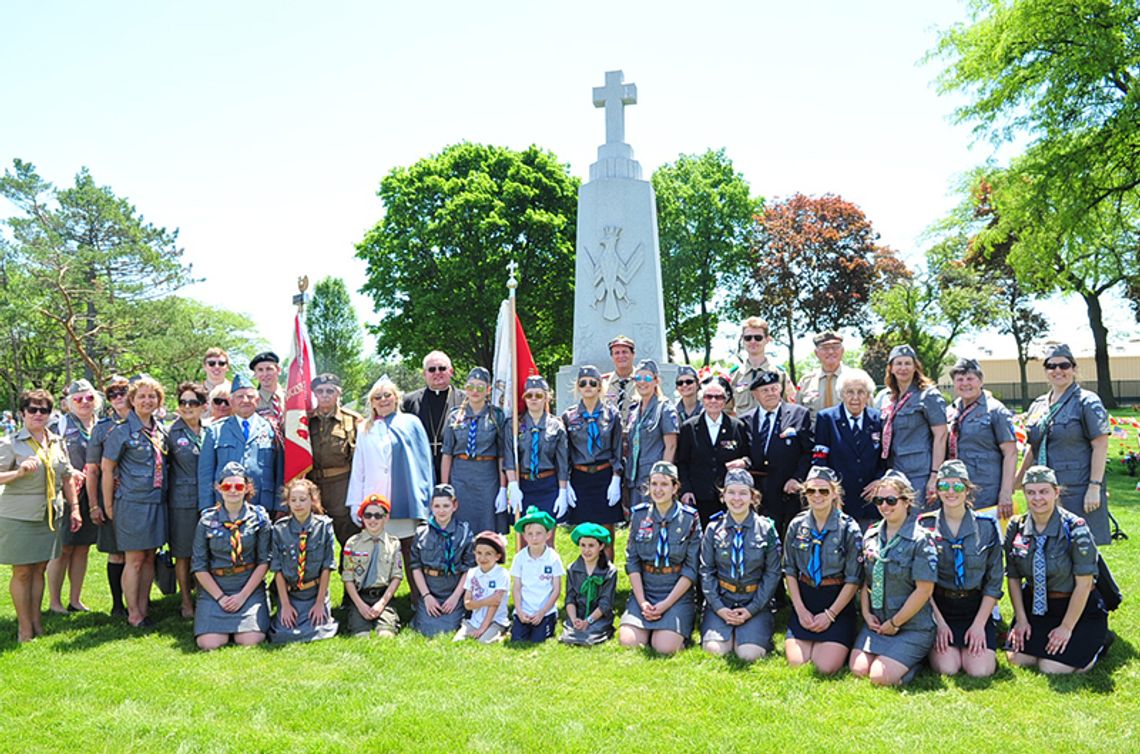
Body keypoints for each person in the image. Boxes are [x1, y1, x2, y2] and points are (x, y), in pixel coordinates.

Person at [1005, 465, 1109, 673]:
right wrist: (1021, 619)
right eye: (1031, 492)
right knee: (1018, 659)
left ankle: (1099, 643)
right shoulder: (1017, 526)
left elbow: (1085, 583)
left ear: (1056, 492)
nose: (1037, 498)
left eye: (1044, 491)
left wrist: (1066, 628)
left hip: (1075, 608)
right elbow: (1014, 577)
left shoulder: (1075, 528)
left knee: (1050, 667)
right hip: (1036, 607)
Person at [0, 389, 80, 642]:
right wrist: (19, 473)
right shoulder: (10, 443)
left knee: (40, 569)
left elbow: (66, 476)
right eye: (32, 409)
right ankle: (24, 627)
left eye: (43, 410)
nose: (38, 414)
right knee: (22, 571)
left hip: (50, 516)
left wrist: (75, 507)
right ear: (22, 413)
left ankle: (36, 620)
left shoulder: (56, 441)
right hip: (19, 517)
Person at [349, 376, 439, 597]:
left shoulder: (411, 422)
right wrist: (355, 503)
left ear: (396, 397)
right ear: (371, 402)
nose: (383, 400)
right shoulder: (364, 429)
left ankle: (419, 601)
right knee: (379, 552)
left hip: (405, 498)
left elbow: (423, 462)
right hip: (375, 501)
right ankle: (377, 602)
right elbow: (358, 467)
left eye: (387, 395)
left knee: (410, 552)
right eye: (377, 397)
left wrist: (427, 498)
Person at [849, 470, 938, 686]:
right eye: (879, 501)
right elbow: (865, 582)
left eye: (891, 500)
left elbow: (924, 591)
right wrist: (866, 614)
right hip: (878, 624)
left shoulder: (921, 540)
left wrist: (896, 623)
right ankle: (898, 660)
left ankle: (913, 663)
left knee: (879, 677)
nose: (884, 506)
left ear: (906, 501)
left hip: (912, 626)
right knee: (858, 669)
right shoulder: (870, 535)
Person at [1019, 343, 1112, 545]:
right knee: (1048, 545)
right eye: (1051, 366)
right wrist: (1016, 481)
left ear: (1074, 368)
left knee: (1081, 548)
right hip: (1043, 490)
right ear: (1045, 370)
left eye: (1064, 365)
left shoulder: (1087, 401)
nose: (1058, 371)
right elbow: (1033, 447)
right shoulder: (1038, 405)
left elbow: (1100, 445)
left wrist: (1094, 487)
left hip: (1076, 488)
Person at [918, 460, 1003, 677]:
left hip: (975, 608)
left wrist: (979, 625)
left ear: (967, 490)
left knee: (980, 671)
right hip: (939, 607)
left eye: (957, 486)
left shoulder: (986, 527)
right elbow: (920, 581)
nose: (950, 492)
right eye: (944, 486)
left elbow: (994, 581)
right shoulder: (925, 527)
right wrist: (938, 624)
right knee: (948, 668)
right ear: (937, 491)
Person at [101, 375, 169, 628]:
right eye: (141, 396)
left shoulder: (161, 430)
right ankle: (133, 614)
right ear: (132, 400)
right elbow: (107, 469)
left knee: (150, 557)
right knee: (135, 559)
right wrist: (108, 506)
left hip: (157, 502)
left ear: (159, 401)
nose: (147, 401)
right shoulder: (121, 431)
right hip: (132, 503)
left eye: (152, 396)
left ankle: (143, 605)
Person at [783, 467, 864, 675]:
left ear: (834, 493)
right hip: (806, 600)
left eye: (823, 491)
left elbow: (853, 579)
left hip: (836, 603)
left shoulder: (848, 528)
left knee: (824, 667)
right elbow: (790, 570)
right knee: (797, 664)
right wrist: (800, 610)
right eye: (811, 491)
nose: (817, 496)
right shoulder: (796, 525)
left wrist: (830, 615)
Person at [699, 469, 782, 662]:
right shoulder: (713, 529)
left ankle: (752, 632)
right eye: (732, 492)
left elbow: (772, 573)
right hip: (722, 601)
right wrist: (719, 608)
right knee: (715, 651)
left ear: (753, 497)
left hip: (754, 602)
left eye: (743, 493)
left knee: (748, 655)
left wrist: (752, 609)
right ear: (723, 495)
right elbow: (706, 572)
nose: (737, 498)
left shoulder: (767, 529)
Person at [619, 461, 701, 655]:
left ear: (675, 488)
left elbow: (691, 568)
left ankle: (671, 631)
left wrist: (666, 604)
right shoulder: (639, 516)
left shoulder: (689, 519)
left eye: (664, 484)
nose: (658, 489)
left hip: (675, 592)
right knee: (629, 642)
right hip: (646, 589)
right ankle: (648, 625)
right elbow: (632, 562)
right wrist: (642, 602)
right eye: (654, 484)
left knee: (664, 647)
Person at [191, 461, 272, 650]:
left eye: (239, 486)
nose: (233, 491)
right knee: (208, 643)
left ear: (247, 488)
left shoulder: (260, 519)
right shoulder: (206, 520)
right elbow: (199, 565)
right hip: (215, 589)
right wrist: (220, 598)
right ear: (219, 488)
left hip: (248, 587)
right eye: (227, 486)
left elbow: (264, 561)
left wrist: (242, 596)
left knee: (251, 640)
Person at [440, 367, 516, 536]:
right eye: (470, 387)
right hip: (460, 476)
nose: (475, 391)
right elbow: (447, 454)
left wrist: (503, 489)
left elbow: (502, 455)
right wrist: (445, 487)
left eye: (480, 387)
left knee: (486, 526)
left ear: (488, 390)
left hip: (487, 478)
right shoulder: (454, 416)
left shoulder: (496, 416)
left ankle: (487, 560)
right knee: (460, 526)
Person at [46, 379, 100, 614]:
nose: (84, 403)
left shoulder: (100, 425)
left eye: (89, 398)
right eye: (78, 399)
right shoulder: (60, 425)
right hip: (68, 494)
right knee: (63, 548)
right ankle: (55, 602)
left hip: (92, 494)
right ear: (69, 403)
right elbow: (49, 457)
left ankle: (75, 599)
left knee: (83, 548)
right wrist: (70, 470)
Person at [740, 370, 812, 539]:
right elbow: (744, 453)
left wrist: (798, 478)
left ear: (780, 388)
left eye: (774, 388)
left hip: (787, 490)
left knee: (789, 540)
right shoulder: (745, 420)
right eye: (765, 390)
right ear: (755, 394)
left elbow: (808, 451)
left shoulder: (799, 414)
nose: (770, 393)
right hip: (757, 492)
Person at [561, 365, 624, 557]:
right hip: (580, 477)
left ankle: (608, 577)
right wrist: (567, 483)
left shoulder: (612, 415)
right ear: (578, 387)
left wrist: (616, 477)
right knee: (586, 534)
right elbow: (565, 452)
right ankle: (587, 576)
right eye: (583, 383)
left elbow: (618, 448)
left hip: (605, 476)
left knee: (606, 534)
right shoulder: (568, 416)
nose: (588, 386)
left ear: (600, 387)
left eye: (592, 383)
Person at [198, 374, 282, 516]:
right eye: (239, 397)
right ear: (231, 401)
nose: (245, 401)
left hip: (262, 503)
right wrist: (206, 506)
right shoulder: (216, 430)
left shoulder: (271, 428)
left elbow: (279, 470)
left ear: (257, 399)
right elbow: (205, 473)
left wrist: (280, 506)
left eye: (250, 397)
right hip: (224, 504)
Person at [811, 369, 885, 530]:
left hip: (870, 500)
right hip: (839, 500)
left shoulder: (878, 419)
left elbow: (885, 458)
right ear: (841, 394)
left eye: (861, 392)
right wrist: (830, 490)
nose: (855, 397)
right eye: (850, 392)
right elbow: (820, 459)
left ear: (868, 395)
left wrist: (880, 480)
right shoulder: (826, 419)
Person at [268, 478, 338, 644]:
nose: (298, 504)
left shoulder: (324, 527)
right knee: (282, 634)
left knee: (321, 630)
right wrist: (284, 605)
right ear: (288, 502)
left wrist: (320, 603)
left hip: (315, 594)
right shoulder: (279, 529)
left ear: (312, 500)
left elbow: (327, 567)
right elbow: (277, 570)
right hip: (291, 596)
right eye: (293, 500)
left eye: (302, 499)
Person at [946, 358, 1016, 517]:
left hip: (985, 488)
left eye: (970, 378)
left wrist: (1005, 493)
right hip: (955, 488)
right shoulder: (950, 411)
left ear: (981, 380)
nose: (965, 383)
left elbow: (1011, 453)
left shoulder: (996, 410)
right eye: (959, 379)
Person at [85, 374, 131, 617]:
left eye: (122, 392)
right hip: (111, 496)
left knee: (140, 553)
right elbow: (92, 470)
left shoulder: (148, 423)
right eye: (112, 394)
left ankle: (139, 600)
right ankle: (118, 604)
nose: (118, 398)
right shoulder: (102, 429)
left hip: (142, 496)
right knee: (116, 553)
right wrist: (94, 505)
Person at [676, 376, 750, 525]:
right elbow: (682, 462)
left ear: (725, 400)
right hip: (698, 495)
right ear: (702, 399)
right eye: (709, 397)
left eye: (719, 397)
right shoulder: (689, 427)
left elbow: (748, 456)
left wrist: (743, 462)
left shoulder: (737, 426)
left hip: (729, 497)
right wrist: (686, 490)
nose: (714, 401)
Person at [880, 345, 948, 506]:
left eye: (907, 363)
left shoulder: (928, 395)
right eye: (898, 363)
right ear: (891, 368)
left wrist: (934, 475)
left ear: (915, 367)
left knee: (918, 522)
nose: (903, 368)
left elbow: (941, 435)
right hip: (896, 471)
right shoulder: (889, 398)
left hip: (920, 473)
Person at [410, 484, 475, 637]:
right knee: (426, 630)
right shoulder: (422, 533)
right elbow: (415, 567)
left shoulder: (464, 533)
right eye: (437, 506)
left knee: (449, 629)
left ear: (455, 506)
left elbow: (469, 568)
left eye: (446, 505)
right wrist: (426, 596)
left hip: (454, 589)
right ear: (431, 506)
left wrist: (455, 597)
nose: (441, 510)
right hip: (430, 589)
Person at [307, 372, 363, 548]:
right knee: (313, 539)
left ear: (338, 393)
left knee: (349, 538)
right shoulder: (305, 420)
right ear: (314, 394)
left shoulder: (353, 421)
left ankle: (351, 574)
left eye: (330, 391)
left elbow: (360, 459)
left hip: (342, 487)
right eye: (320, 391)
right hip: (313, 486)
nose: (324, 395)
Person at [167, 381, 208, 618]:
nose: (187, 407)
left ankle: (204, 596)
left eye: (193, 402)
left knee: (206, 551)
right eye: (183, 402)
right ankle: (185, 601)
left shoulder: (210, 429)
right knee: (183, 552)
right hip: (181, 501)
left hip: (208, 500)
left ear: (203, 406)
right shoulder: (171, 433)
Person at [515, 375, 569, 540]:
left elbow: (562, 461)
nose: (533, 399)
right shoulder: (515, 424)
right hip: (524, 486)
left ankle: (548, 566)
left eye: (538, 395)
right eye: (529, 395)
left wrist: (563, 491)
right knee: (526, 536)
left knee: (547, 536)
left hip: (548, 485)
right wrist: (511, 486)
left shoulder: (556, 426)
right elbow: (510, 457)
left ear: (546, 397)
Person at [341, 494, 402, 638]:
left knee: (386, 635)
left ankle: (386, 621)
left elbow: (396, 577)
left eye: (378, 515)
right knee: (361, 636)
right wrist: (360, 605)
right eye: (368, 515)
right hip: (360, 598)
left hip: (383, 597)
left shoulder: (393, 543)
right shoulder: (352, 543)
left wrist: (381, 604)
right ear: (362, 518)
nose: (372, 520)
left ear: (386, 518)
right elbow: (347, 578)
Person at [402, 350, 463, 482]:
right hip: (420, 470)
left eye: (442, 368)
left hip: (455, 469)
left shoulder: (465, 400)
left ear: (451, 371)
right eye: (431, 369)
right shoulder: (408, 402)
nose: (437, 373)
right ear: (424, 374)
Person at [625, 359, 680, 507]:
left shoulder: (665, 408)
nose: (642, 382)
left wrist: (664, 478)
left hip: (655, 479)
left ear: (656, 381)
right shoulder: (633, 410)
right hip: (635, 478)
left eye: (648, 378)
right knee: (638, 525)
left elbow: (671, 446)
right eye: (638, 378)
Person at [509, 506, 564, 643]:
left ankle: (550, 621)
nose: (534, 538)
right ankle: (518, 622)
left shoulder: (553, 558)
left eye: (539, 533)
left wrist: (542, 612)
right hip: (525, 609)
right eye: (530, 534)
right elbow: (516, 587)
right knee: (517, 639)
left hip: (545, 611)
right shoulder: (519, 558)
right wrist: (519, 611)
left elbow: (556, 589)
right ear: (524, 536)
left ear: (548, 534)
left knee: (538, 639)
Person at [560, 522, 618, 646]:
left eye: (591, 545)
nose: (586, 550)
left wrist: (588, 621)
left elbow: (605, 604)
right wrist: (574, 619)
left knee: (590, 638)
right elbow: (570, 598)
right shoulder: (572, 569)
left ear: (601, 546)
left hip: (598, 617)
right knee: (569, 637)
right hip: (578, 615)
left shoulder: (609, 571)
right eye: (583, 545)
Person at [454, 529, 510, 644]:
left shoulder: (501, 574)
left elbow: (495, 603)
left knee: (483, 641)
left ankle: (504, 632)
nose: (482, 558)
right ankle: (478, 630)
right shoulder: (472, 573)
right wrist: (488, 600)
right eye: (479, 553)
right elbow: (467, 604)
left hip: (495, 620)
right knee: (457, 641)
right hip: (475, 620)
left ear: (497, 556)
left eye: (488, 554)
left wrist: (483, 628)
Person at [729, 317, 794, 415]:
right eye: (748, 338)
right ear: (742, 341)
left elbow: (791, 406)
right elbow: (726, 409)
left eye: (758, 338)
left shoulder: (779, 374)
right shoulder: (734, 375)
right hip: (742, 429)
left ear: (767, 339)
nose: (753, 341)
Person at [795, 331, 849, 424]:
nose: (831, 351)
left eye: (835, 347)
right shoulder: (806, 381)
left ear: (842, 350)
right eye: (825, 348)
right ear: (816, 353)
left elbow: (870, 413)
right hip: (815, 436)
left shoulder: (857, 378)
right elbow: (798, 414)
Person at [602, 334, 639, 429]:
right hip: (610, 438)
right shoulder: (602, 383)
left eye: (625, 352)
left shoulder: (644, 382)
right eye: (617, 353)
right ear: (612, 356)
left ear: (633, 354)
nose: (621, 356)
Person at [250, 351, 285, 430]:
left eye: (269, 369)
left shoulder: (291, 396)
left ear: (278, 370)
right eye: (260, 370)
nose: (265, 374)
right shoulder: (252, 401)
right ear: (255, 374)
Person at [200, 347, 230, 420]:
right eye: (211, 363)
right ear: (204, 367)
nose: (216, 366)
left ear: (227, 367)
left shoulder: (235, 391)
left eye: (221, 363)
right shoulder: (196, 392)